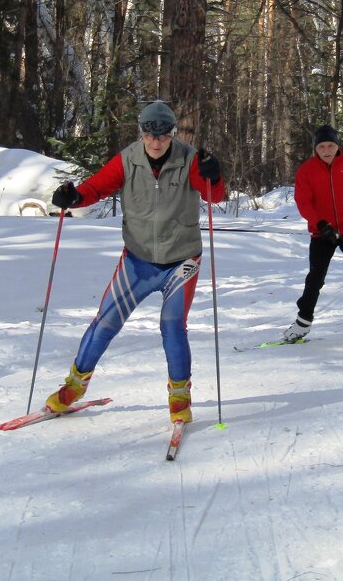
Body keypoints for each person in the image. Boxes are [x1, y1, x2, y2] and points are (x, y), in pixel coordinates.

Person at [45, 100, 225, 424]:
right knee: (105, 322)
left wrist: (215, 175)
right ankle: (74, 386)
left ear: (172, 134)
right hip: (137, 260)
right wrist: (74, 197)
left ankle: (180, 398)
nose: (156, 142)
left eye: (164, 135)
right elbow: (97, 187)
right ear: (141, 133)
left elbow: (214, 196)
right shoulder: (128, 159)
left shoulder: (190, 159)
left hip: (181, 260)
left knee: (172, 327)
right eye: (149, 135)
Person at [283, 124, 343, 343]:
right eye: (322, 146)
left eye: (331, 145)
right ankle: (302, 322)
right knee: (315, 277)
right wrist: (320, 224)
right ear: (316, 148)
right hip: (322, 231)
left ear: (338, 146)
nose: (326, 150)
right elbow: (303, 202)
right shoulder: (306, 170)